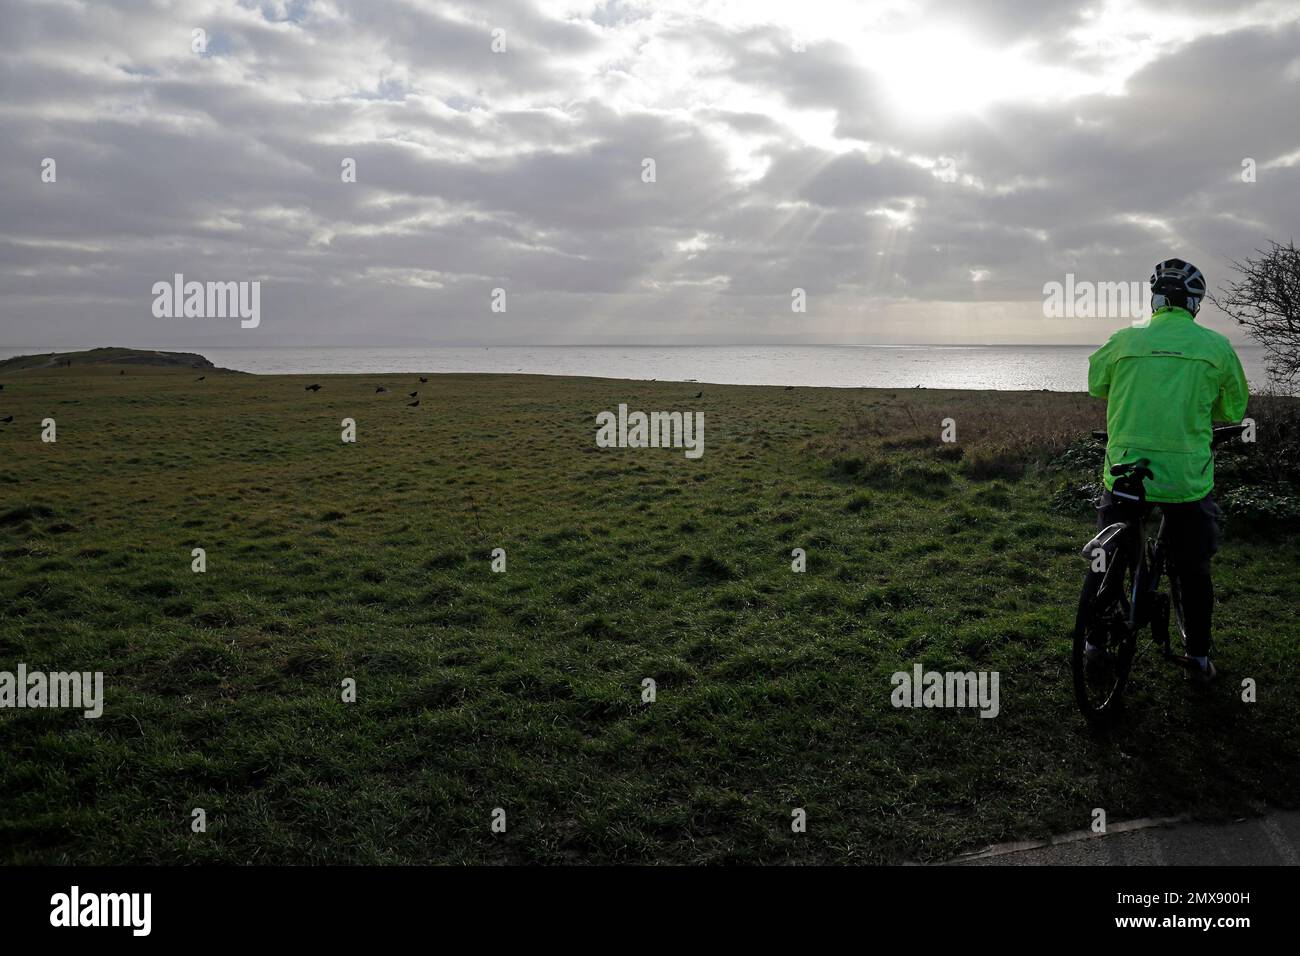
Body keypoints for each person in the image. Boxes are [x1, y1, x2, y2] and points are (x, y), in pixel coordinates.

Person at [1086, 258, 1249, 683]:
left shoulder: (1123, 341)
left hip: (1124, 469)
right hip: (1185, 477)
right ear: (1194, 304)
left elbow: (1096, 386)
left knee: (1109, 558)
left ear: (1155, 301)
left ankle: (1093, 642)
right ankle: (1197, 658)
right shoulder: (1215, 348)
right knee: (1193, 566)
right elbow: (1232, 408)